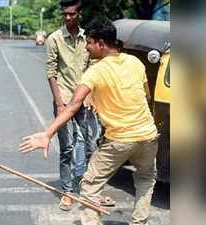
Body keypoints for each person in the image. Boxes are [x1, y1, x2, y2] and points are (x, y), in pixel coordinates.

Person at [20, 21, 157, 225]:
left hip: (119, 140)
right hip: (148, 136)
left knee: (90, 186)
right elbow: (146, 96)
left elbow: (74, 105)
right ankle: (139, 223)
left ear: (101, 44)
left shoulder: (95, 72)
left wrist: (48, 134)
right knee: (145, 180)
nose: (86, 47)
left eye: (90, 43)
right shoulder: (135, 62)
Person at [45, 0, 102, 211]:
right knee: (68, 147)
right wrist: (59, 103)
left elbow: (94, 68)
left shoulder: (88, 39)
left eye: (71, 14)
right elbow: (51, 72)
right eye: (65, 14)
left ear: (80, 14)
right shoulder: (54, 39)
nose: (68, 18)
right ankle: (67, 191)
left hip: (85, 98)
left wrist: (92, 96)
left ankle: (89, 191)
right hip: (64, 99)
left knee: (91, 144)